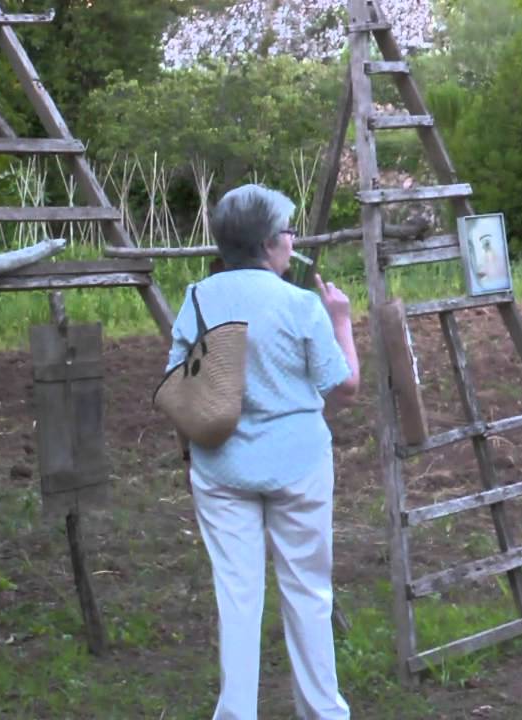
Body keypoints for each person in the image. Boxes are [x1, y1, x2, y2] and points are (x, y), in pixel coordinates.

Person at [166, 184, 360, 720]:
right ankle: (323, 712)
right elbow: (344, 387)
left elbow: (176, 383)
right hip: (299, 464)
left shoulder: (198, 298)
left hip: (221, 465)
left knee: (236, 596)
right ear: (270, 242)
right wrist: (342, 320)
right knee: (309, 592)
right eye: (288, 231)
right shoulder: (301, 305)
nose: (292, 240)